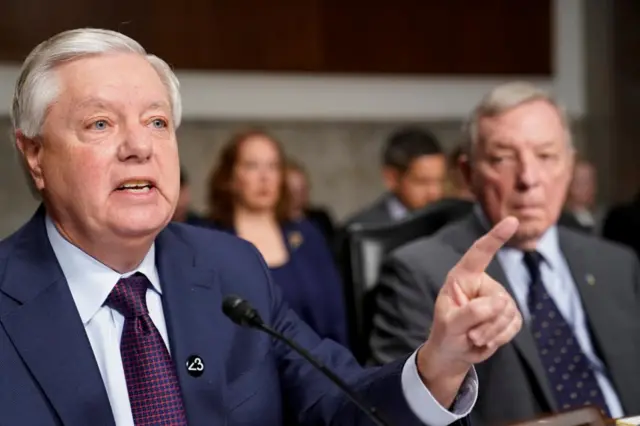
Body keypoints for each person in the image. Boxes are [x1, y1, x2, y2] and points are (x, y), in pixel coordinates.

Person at [0, 28, 523, 426]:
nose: (139, 147)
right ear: (35, 155)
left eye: (157, 122)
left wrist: (439, 362)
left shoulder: (231, 269)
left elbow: (341, 405)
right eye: (100, 124)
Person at [369, 82, 640, 425]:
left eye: (546, 156)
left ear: (569, 167)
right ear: (468, 175)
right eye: (502, 159)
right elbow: (390, 416)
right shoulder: (420, 272)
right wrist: (442, 365)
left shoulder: (616, 263)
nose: (529, 178)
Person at [206, 130, 348, 346]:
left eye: (273, 166)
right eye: (252, 166)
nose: (265, 177)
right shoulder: (210, 241)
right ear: (230, 178)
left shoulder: (307, 235)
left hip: (313, 367)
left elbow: (335, 318)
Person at [343, 127, 446, 226]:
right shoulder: (362, 230)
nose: (434, 193)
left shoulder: (450, 223)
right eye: (422, 182)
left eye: (440, 181)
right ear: (391, 178)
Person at [285, 159, 336, 246]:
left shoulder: (320, 219)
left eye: (303, 189)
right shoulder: (276, 225)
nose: (300, 195)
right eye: (294, 190)